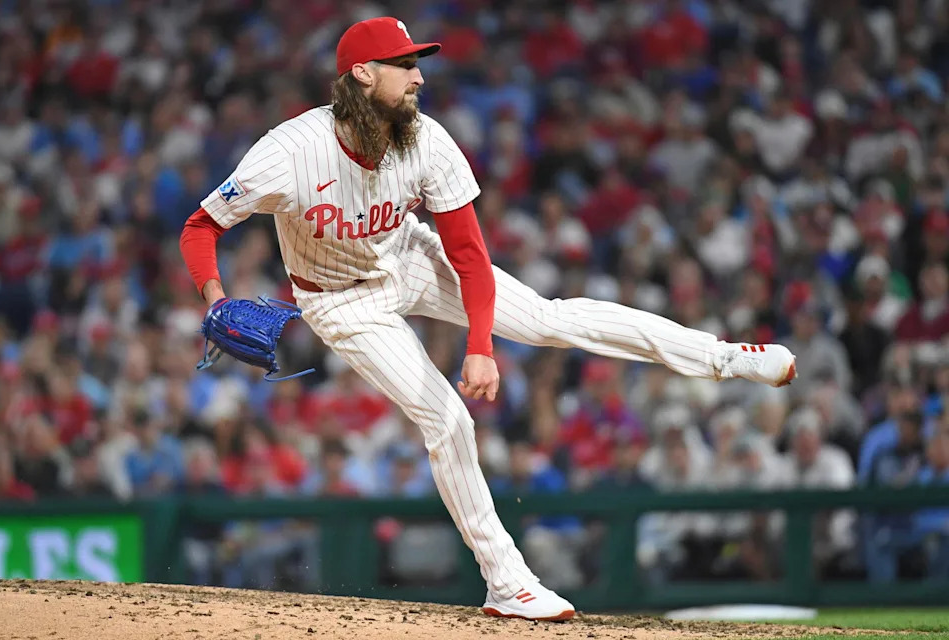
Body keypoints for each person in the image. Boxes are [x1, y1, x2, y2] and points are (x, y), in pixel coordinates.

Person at [179, 16, 797, 621]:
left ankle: (723, 357)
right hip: (338, 296)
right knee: (446, 418)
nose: (419, 77)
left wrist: (480, 343)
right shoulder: (291, 153)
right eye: (406, 65)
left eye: (418, 63)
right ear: (362, 76)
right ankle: (507, 582)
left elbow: (470, 255)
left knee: (549, 320)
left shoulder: (426, 139)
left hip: (409, 254)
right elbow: (202, 225)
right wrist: (215, 298)